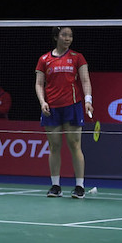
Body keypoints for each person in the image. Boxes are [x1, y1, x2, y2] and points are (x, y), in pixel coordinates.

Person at [35, 26, 93, 199]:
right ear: (56, 37)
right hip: (51, 108)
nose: (68, 38)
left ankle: (79, 186)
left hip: (72, 106)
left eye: (70, 36)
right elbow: (39, 83)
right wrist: (42, 102)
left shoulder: (77, 57)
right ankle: (55, 186)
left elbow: (85, 80)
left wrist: (88, 101)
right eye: (64, 35)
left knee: (75, 146)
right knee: (54, 147)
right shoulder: (44, 59)